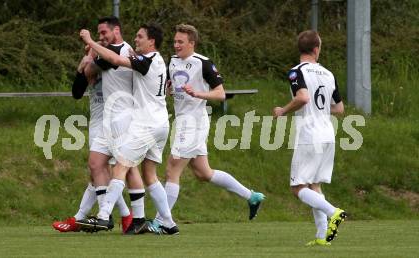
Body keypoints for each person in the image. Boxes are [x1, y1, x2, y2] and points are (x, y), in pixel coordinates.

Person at [152, 24, 265, 227]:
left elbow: (220, 94)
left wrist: (198, 93)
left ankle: (162, 222)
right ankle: (251, 196)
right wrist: (170, 89)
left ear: (191, 43)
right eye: (175, 41)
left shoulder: (203, 63)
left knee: (171, 170)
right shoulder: (173, 61)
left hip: (193, 122)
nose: (176, 45)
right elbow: (173, 86)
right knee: (204, 173)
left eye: (180, 42)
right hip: (183, 120)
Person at [77, 23, 179, 235]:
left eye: (140, 36)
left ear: (152, 41)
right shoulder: (159, 60)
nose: (136, 39)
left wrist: (89, 41)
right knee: (149, 174)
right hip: (160, 123)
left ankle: (104, 216)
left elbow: (114, 60)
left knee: (121, 167)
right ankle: (168, 222)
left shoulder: (147, 60)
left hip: (146, 124)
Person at [52, 16, 149, 235]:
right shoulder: (105, 52)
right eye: (99, 35)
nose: (101, 37)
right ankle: (117, 217)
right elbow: (77, 90)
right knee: (98, 168)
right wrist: (90, 55)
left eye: (104, 33)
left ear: (116, 30)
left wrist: (90, 54)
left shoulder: (123, 53)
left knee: (123, 169)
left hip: (123, 120)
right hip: (102, 121)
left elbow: (94, 69)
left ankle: (120, 217)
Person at [272, 30, 346, 246]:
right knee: (314, 185)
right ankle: (322, 237)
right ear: (316, 49)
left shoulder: (296, 71)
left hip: (309, 135)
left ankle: (334, 212)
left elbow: (302, 97)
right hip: (327, 134)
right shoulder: (328, 74)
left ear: (301, 49)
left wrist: (282, 111)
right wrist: (320, 109)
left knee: (298, 188)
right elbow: (339, 108)